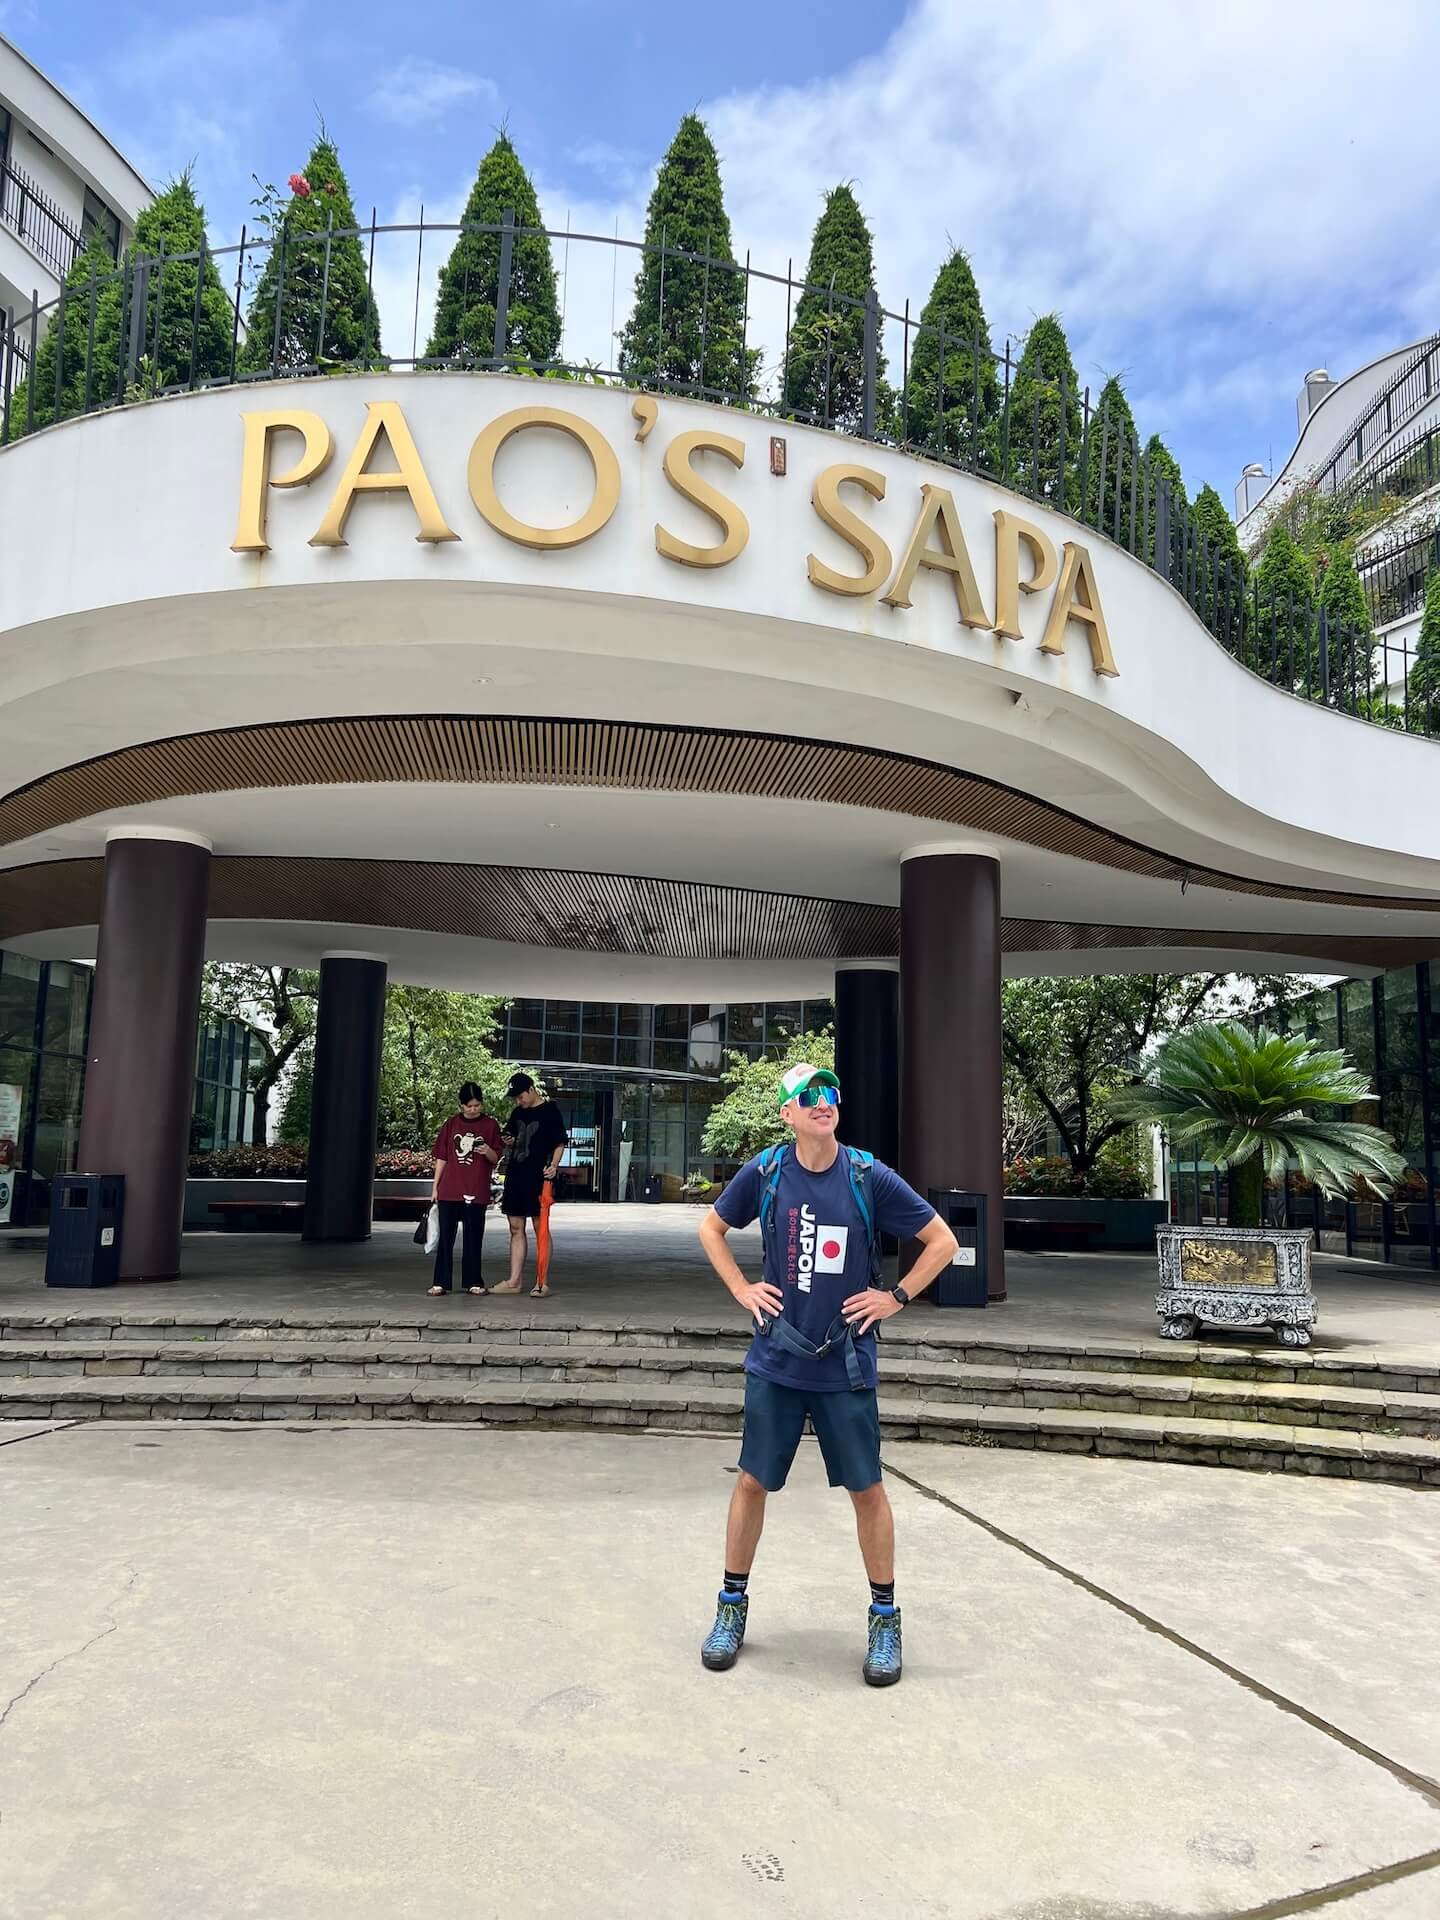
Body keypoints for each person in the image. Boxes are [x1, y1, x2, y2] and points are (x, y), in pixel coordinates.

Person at [696, 1062, 959, 1687]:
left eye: (831, 1092)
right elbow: (711, 1227)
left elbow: (942, 1241)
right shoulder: (765, 1172)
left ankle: (886, 1621)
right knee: (753, 1483)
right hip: (777, 1361)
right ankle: (730, 1609)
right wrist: (741, 1287)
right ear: (786, 1113)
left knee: (868, 1490)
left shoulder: (869, 1176)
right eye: (807, 1095)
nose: (823, 1101)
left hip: (845, 1365)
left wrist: (893, 1297)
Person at [493, 1073, 569, 1297]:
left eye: (520, 1096)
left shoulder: (550, 1111)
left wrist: (554, 1166)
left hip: (539, 1176)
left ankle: (542, 1281)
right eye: (515, 1098)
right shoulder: (517, 1113)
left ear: (530, 1089)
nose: (518, 1101)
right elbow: (512, 1137)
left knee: (540, 1228)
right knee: (515, 1227)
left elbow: (559, 1142)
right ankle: (514, 1281)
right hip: (516, 1174)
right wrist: (509, 1141)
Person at [427, 1083, 503, 1297]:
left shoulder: (490, 1126)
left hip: (476, 1189)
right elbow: (442, 1157)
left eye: (477, 1105)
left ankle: (473, 1281)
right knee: (445, 1239)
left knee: (473, 1237)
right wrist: (435, 1187)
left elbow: (495, 1158)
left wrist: (488, 1150)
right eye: (469, 1106)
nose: (473, 1110)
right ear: (461, 1105)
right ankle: (440, 1281)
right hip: (450, 1188)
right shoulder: (451, 1125)